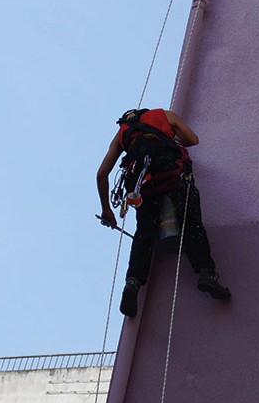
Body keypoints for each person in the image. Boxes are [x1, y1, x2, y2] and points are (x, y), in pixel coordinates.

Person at [97, 108, 230, 317]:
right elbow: (192, 139)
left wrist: (107, 210)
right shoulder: (164, 115)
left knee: (144, 233)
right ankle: (206, 274)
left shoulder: (123, 133)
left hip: (145, 188)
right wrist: (170, 140)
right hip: (173, 178)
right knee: (192, 224)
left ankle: (132, 282)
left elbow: (101, 175)